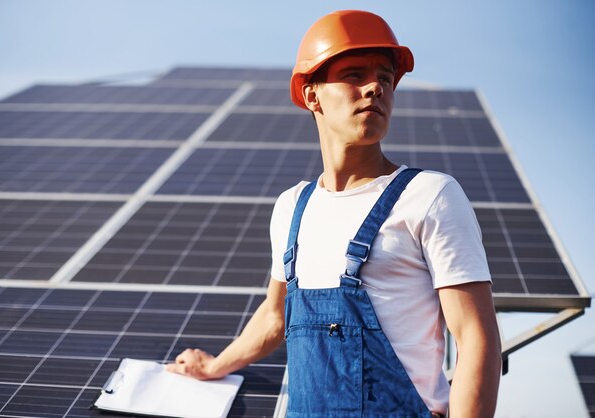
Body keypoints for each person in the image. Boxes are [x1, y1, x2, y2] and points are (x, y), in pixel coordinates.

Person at [167, 10, 502, 418]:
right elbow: (275, 315)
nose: (375, 87)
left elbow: (476, 339)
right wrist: (214, 366)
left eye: (384, 76)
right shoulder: (293, 206)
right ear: (312, 94)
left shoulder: (430, 195)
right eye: (354, 75)